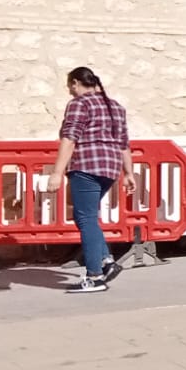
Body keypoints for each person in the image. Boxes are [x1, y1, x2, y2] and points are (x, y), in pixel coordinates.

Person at [54, 67, 131, 294]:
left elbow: (70, 138)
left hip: (87, 165)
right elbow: (124, 142)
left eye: (70, 87)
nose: (70, 92)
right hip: (110, 167)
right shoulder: (115, 106)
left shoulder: (80, 104)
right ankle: (106, 260)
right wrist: (129, 173)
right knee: (85, 216)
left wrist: (57, 172)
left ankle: (95, 276)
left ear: (76, 83)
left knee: (86, 218)